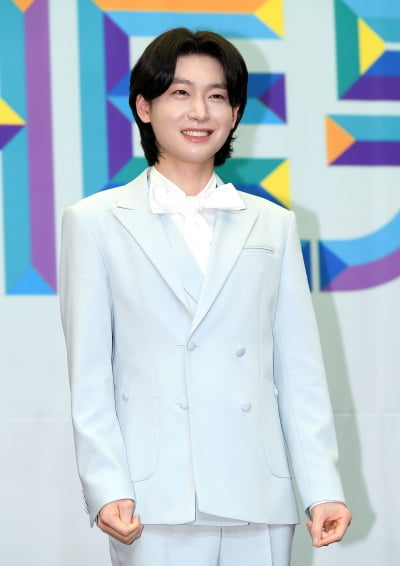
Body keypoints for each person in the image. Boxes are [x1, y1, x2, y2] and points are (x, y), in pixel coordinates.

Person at [59, 27, 352, 566]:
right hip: (151, 498)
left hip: (257, 493)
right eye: (180, 92)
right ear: (144, 107)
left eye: (217, 96)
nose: (200, 111)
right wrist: (106, 485)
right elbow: (91, 375)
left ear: (235, 114)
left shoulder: (274, 224)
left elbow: (299, 373)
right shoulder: (94, 222)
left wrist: (322, 487)